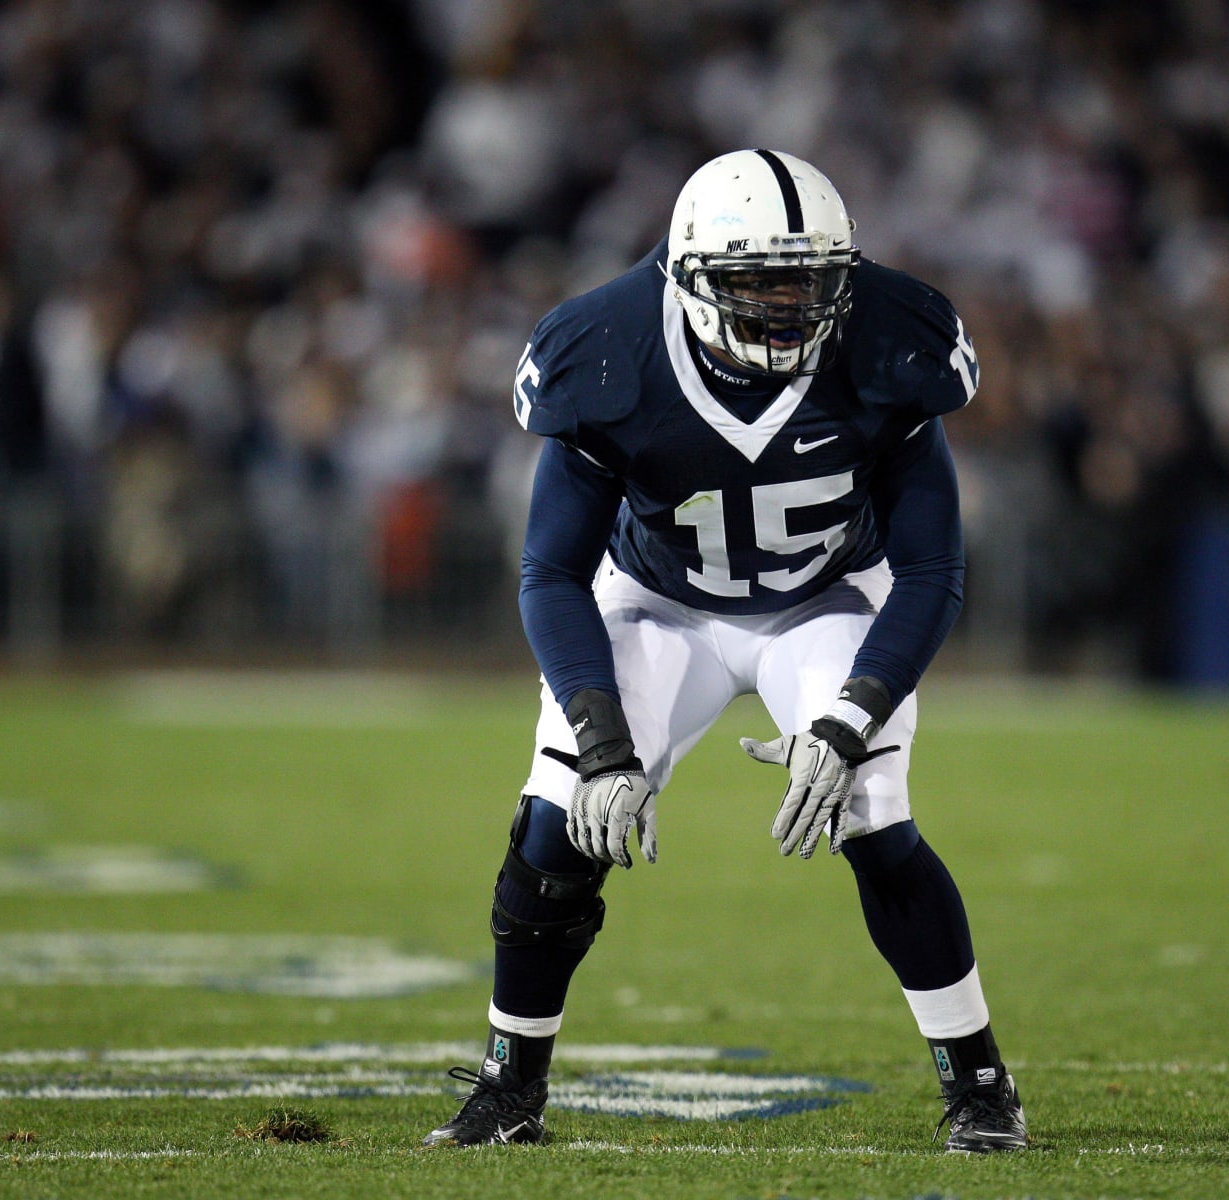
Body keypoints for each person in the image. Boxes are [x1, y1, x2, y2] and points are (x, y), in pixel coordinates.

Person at [423, 149, 1026, 1154]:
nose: (790, 310)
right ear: (692, 277)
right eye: (760, 285)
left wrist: (848, 717)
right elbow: (551, 575)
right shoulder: (609, 348)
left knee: (873, 811)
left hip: (829, 597)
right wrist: (605, 744)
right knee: (558, 821)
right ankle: (507, 1089)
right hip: (658, 603)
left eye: (809, 283)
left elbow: (931, 574)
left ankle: (980, 1085)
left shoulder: (889, 338)